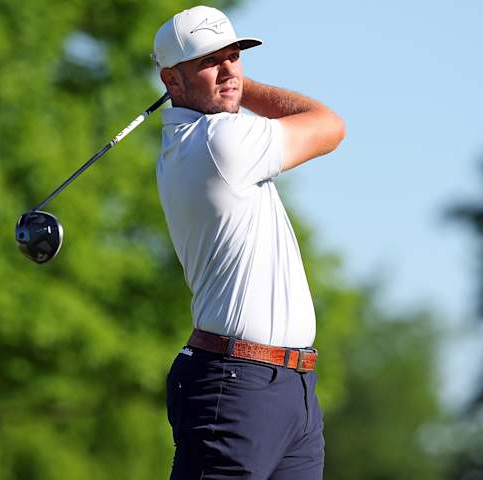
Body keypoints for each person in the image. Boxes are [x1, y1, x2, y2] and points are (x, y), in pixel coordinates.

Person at [152, 5, 345, 479]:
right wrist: (242, 87)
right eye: (210, 61)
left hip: (290, 389)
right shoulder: (221, 143)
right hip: (236, 386)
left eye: (234, 56)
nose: (228, 70)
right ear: (172, 82)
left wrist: (224, 83)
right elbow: (328, 125)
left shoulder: (204, 137)